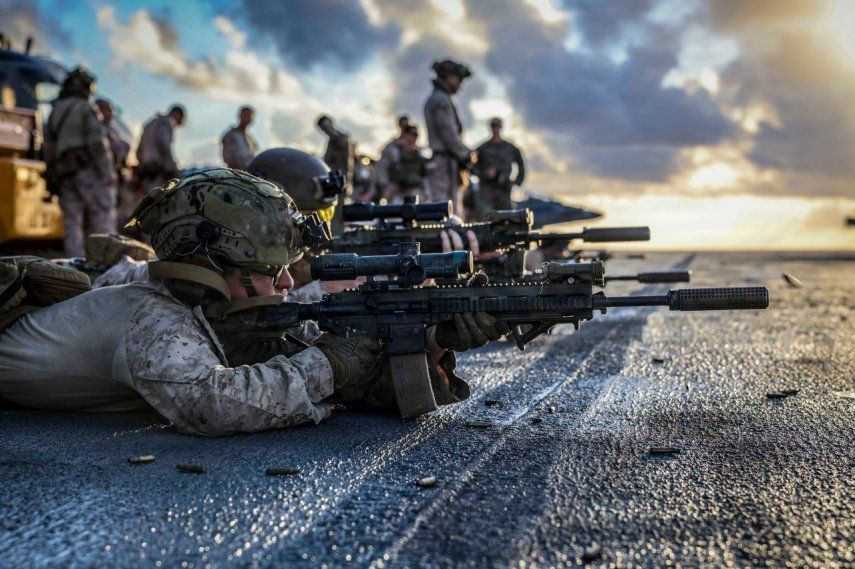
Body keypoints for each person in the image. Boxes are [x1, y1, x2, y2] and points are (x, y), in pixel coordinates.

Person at [0, 169, 505, 433]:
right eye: (271, 271)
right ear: (215, 271)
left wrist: (433, 339)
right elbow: (212, 406)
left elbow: (319, 361)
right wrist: (329, 365)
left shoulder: (213, 315)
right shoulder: (150, 318)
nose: (288, 282)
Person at [43, 66, 117, 258]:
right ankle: (105, 260)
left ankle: (75, 262)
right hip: (87, 170)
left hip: (64, 172)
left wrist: (52, 174)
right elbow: (97, 142)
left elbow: (49, 148)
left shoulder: (55, 111)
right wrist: (108, 171)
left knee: (72, 221)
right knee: (102, 215)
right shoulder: (85, 107)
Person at [423, 59, 472, 216]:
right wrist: (465, 154)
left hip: (448, 163)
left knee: (450, 212)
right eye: (458, 79)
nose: (460, 84)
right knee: (445, 212)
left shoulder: (442, 99)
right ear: (448, 77)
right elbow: (447, 133)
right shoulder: (440, 99)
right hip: (443, 165)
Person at [473, 117, 525, 220]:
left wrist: (516, 182)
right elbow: (472, 167)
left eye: (497, 126)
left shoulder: (510, 148)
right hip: (487, 191)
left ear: (501, 127)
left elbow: (521, 165)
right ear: (490, 128)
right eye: (493, 126)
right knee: (486, 219)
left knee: (507, 220)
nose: (495, 128)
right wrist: (485, 174)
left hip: (504, 190)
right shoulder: (482, 148)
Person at [95, 98, 135, 227]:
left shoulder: (109, 129)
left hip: (108, 177)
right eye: (109, 110)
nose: (111, 114)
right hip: (101, 179)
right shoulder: (97, 128)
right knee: (103, 218)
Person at [376, 125, 431, 204]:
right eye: (412, 134)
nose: (414, 138)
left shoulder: (418, 155)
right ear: (405, 135)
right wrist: (386, 185)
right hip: (397, 192)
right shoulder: (394, 151)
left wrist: (426, 193)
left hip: (415, 191)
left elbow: (424, 175)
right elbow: (382, 169)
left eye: (416, 135)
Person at [136, 104, 185, 191]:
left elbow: (139, 150)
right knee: (159, 199)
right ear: (177, 115)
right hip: (158, 172)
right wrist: (173, 170)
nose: (176, 125)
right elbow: (163, 145)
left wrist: (141, 167)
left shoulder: (150, 123)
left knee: (149, 200)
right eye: (178, 121)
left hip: (146, 172)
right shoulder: (165, 123)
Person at [317, 115, 353, 188]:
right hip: (332, 178)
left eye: (326, 126)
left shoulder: (343, 138)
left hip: (341, 179)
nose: (326, 129)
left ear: (332, 123)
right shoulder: (331, 142)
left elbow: (340, 140)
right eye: (323, 128)